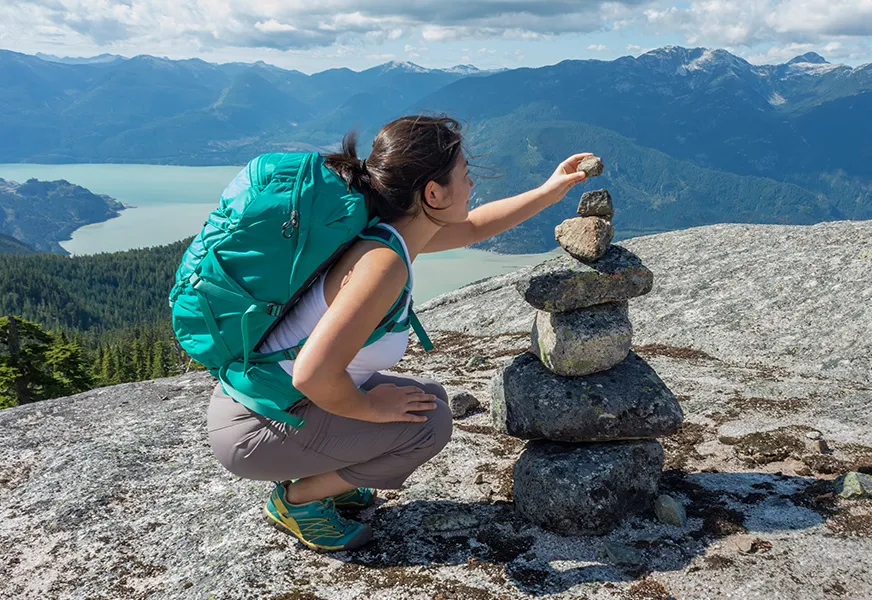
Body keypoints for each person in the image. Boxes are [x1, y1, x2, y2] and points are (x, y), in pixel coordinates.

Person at [207, 114, 592, 552]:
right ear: (433, 192)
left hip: (268, 408)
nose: (471, 187)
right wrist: (371, 408)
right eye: (465, 176)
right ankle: (297, 500)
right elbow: (312, 375)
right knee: (428, 425)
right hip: (255, 430)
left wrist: (549, 191)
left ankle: (328, 477)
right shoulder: (382, 264)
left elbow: (478, 225)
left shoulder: (390, 234)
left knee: (430, 397)